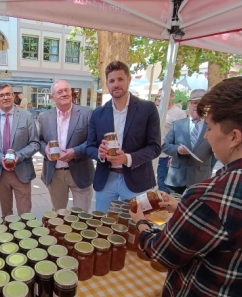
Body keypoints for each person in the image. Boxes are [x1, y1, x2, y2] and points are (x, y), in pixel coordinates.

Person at [130, 75, 242, 297]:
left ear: (234, 137)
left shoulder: (209, 196)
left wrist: (141, 223)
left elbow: (162, 254)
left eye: (210, 129)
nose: (208, 137)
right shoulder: (214, 197)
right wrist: (182, 208)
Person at [86, 61, 161, 212]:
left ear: (129, 79)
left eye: (120, 79)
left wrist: (128, 158)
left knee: (136, 226)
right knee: (103, 225)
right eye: (112, 81)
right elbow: (89, 147)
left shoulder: (147, 109)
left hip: (137, 179)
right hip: (106, 180)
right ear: (107, 83)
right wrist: (100, 154)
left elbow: (155, 147)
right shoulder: (98, 113)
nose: (116, 84)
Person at [0, 83, 40, 217]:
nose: (5, 98)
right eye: (1, 95)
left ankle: (24, 237)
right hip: (0, 173)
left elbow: (35, 143)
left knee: (25, 215)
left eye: (8, 94)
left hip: (22, 172)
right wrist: (0, 158)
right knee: (6, 214)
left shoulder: (27, 117)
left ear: (13, 96)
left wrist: (18, 156)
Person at [38, 80, 94, 212]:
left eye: (66, 90)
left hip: (81, 171)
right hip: (55, 173)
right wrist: (44, 149)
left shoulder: (87, 114)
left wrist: (75, 151)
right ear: (53, 97)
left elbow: (93, 141)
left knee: (81, 217)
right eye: (59, 92)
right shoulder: (44, 117)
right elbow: (38, 141)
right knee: (58, 215)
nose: (64, 94)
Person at [162, 89, 216, 194]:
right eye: (194, 103)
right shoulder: (177, 125)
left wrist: (207, 168)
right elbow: (165, 146)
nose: (197, 106)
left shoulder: (211, 126)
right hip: (176, 180)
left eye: (201, 103)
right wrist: (177, 150)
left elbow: (215, 153)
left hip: (200, 179)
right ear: (189, 104)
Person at [156, 90, 187, 192]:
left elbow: (180, 136)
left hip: (166, 155)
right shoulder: (156, 111)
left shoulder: (179, 113)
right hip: (154, 154)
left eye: (163, 96)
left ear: (172, 96)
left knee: (163, 184)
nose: (160, 98)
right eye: (158, 96)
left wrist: (173, 155)